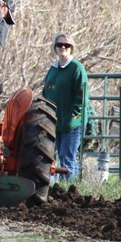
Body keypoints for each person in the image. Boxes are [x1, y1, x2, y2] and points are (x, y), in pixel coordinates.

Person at [42, 32, 89, 182]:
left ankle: (69, 190)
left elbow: (81, 98)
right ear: (55, 48)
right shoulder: (53, 69)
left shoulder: (77, 68)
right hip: (54, 123)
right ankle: (55, 188)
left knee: (67, 158)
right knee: (50, 157)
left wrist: (72, 119)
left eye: (66, 45)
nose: (63, 47)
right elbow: (46, 92)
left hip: (71, 124)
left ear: (71, 48)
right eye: (59, 45)